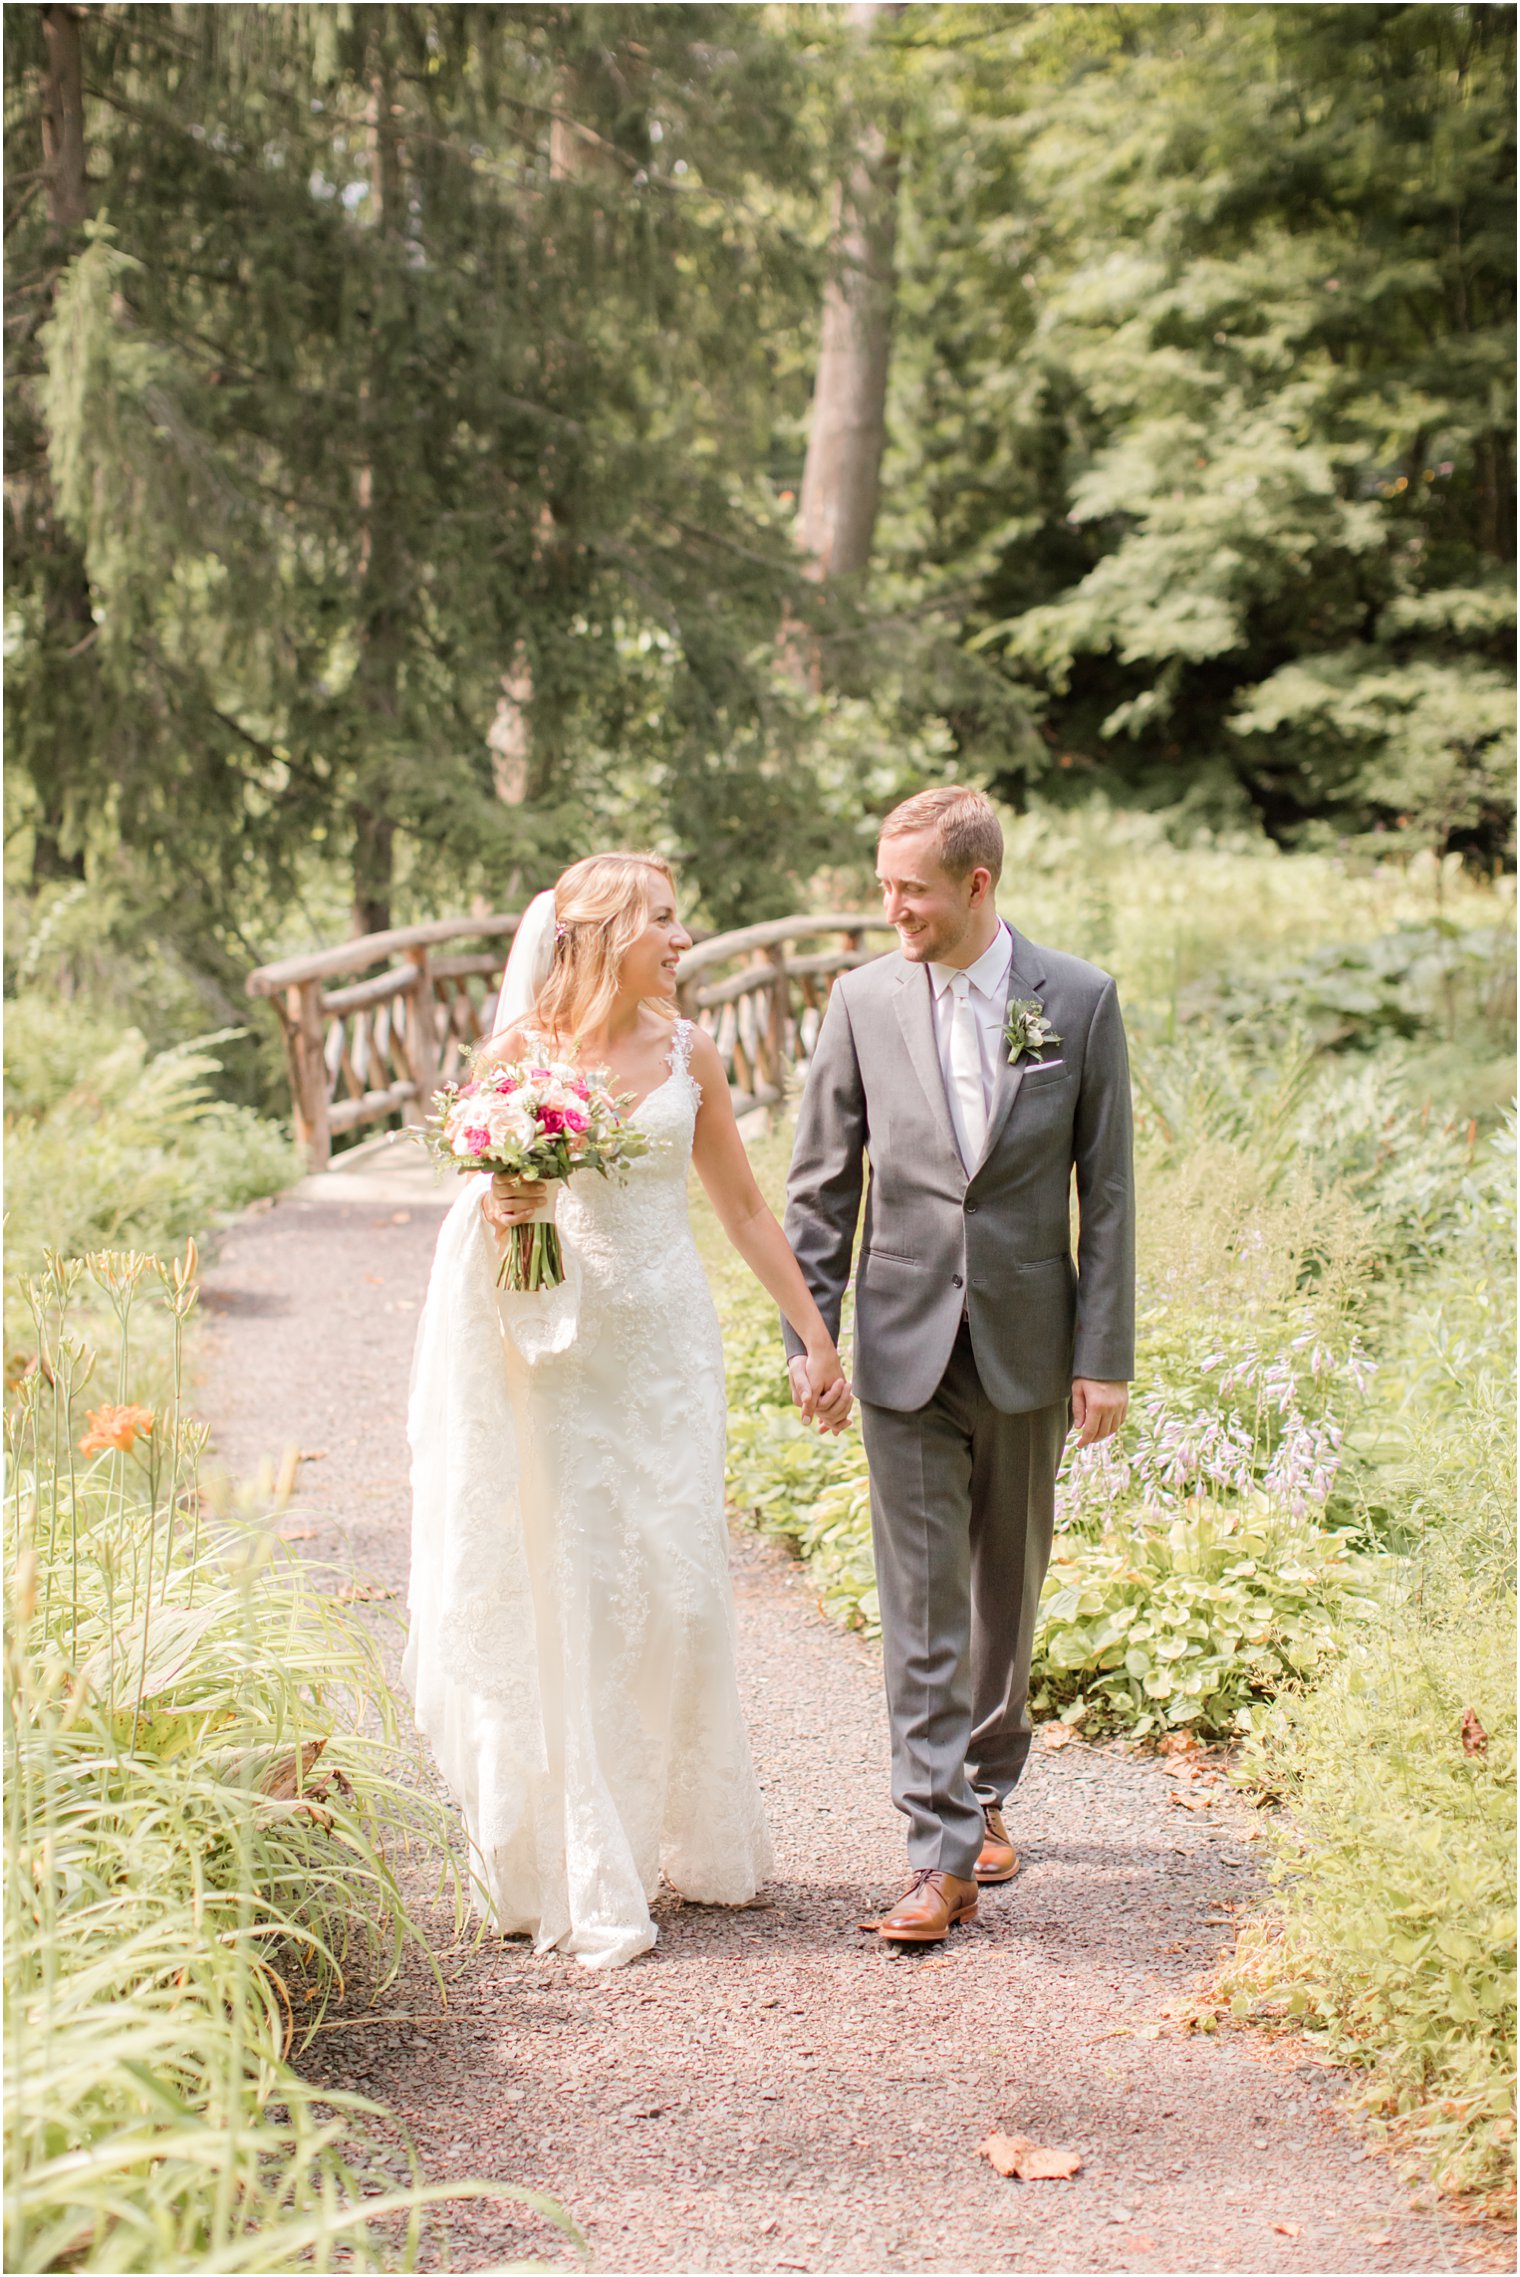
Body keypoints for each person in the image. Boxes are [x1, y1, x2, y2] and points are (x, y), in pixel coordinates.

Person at [404, 852, 850, 1970]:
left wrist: (812, 1333)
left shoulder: (687, 1050)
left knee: (681, 1588)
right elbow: (476, 1226)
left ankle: (685, 1831)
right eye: (661, 917)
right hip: (558, 1356)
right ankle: (577, 1853)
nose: (682, 935)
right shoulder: (517, 1059)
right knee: (575, 1590)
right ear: (601, 932)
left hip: (665, 1352)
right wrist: (508, 1204)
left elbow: (745, 1210)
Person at [782, 787, 1135, 1944]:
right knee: (921, 1599)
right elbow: (821, 1183)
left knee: (1003, 1588)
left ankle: (986, 1784)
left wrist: (1103, 1357)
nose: (891, 909)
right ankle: (937, 1853)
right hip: (899, 1343)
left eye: (910, 890)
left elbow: (1110, 1194)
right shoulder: (861, 999)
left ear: (975, 886)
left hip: (1029, 1340)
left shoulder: (1076, 1001)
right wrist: (811, 1337)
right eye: (884, 884)